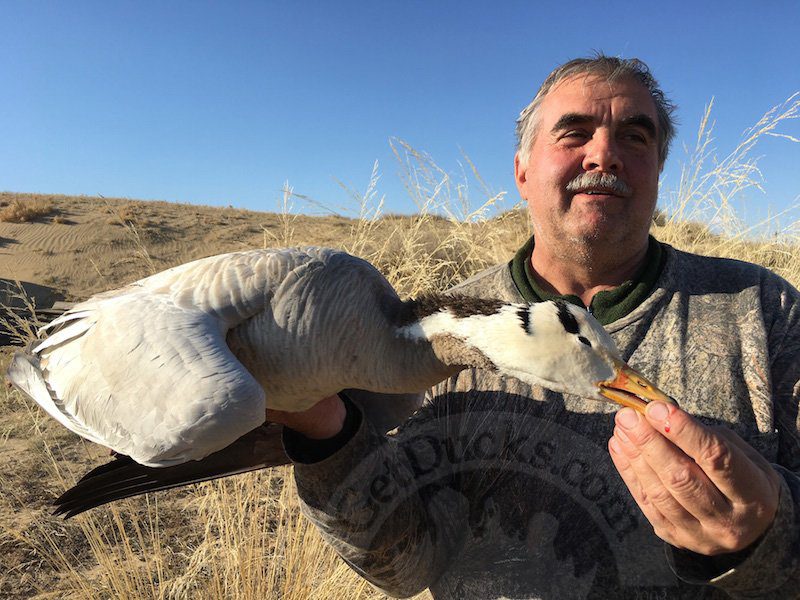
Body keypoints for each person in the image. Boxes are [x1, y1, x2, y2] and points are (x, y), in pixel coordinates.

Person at [268, 55, 800, 598]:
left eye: (635, 137)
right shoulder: (431, 336)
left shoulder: (764, 310)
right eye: (574, 133)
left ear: (658, 170)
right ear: (522, 171)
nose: (605, 154)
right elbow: (405, 565)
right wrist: (326, 436)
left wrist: (765, 533)